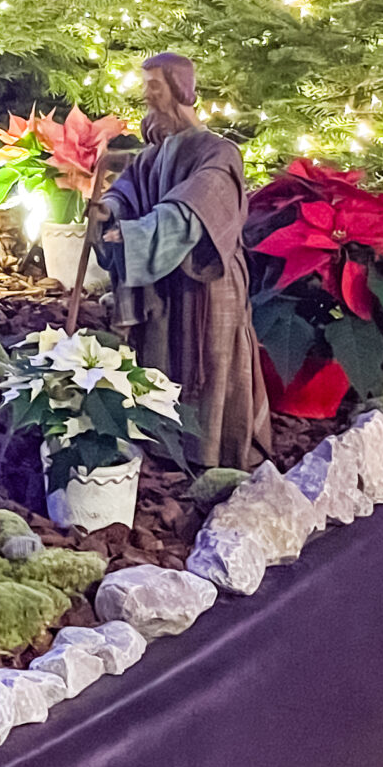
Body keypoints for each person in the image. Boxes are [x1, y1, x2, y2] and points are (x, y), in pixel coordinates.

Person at [94, 53, 272, 471]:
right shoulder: (156, 153)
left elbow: (196, 207)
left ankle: (213, 454)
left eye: (154, 86)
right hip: (166, 283)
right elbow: (129, 189)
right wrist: (110, 210)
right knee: (162, 358)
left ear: (179, 90)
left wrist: (138, 234)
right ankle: (164, 448)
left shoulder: (219, 153)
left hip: (206, 282)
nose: (146, 96)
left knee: (209, 363)